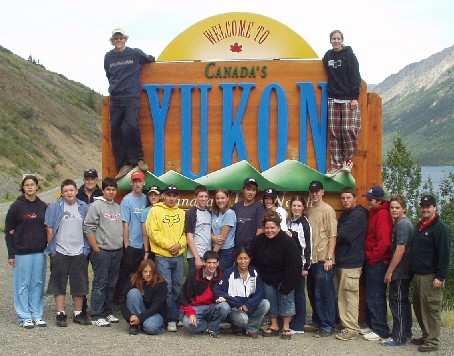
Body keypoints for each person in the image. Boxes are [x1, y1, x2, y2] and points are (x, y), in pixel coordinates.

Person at [104, 27, 156, 179]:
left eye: (121, 38)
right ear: (112, 41)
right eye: (116, 38)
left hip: (132, 97)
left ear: (125, 39)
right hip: (116, 98)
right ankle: (123, 165)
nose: (118, 40)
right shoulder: (108, 57)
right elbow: (108, 74)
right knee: (116, 132)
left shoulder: (135, 53)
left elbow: (149, 59)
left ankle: (139, 158)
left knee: (131, 126)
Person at [44, 179, 91, 327]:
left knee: (80, 282)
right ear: (62, 193)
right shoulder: (54, 206)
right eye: (66, 191)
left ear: (77, 191)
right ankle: (60, 313)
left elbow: (88, 227)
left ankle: (78, 313)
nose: (69, 193)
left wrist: (86, 249)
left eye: (71, 190)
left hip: (79, 250)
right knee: (59, 282)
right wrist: (52, 250)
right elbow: (49, 227)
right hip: (60, 250)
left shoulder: (83, 206)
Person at [5, 175, 48, 329]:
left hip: (39, 251)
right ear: (23, 187)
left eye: (32, 184)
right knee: (22, 284)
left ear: (37, 186)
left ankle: (36, 313)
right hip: (21, 252)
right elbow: (9, 231)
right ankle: (24, 316)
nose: (30, 187)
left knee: (37, 283)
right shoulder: (16, 206)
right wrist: (11, 253)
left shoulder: (42, 206)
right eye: (26, 185)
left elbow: (47, 228)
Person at [250, 211, 301, 340]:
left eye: (272, 228)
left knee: (286, 300)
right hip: (266, 278)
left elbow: (294, 265)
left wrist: (287, 285)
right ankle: (274, 325)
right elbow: (253, 260)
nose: (269, 230)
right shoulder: (258, 241)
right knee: (271, 301)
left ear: (278, 227)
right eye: (267, 228)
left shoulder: (288, 242)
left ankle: (285, 326)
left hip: (285, 278)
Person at [410, 195, 451, 352]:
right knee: (420, 309)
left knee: (431, 309)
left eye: (428, 206)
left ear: (435, 208)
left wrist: (440, 276)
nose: (425, 209)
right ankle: (426, 335)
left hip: (431, 276)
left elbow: (444, 254)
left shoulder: (440, 229)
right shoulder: (420, 226)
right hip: (418, 275)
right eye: (423, 206)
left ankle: (433, 342)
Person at [146, 184, 186, 332]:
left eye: (174, 195)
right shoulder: (155, 211)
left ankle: (174, 315)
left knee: (178, 288)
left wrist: (179, 245)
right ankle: (171, 319)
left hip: (178, 256)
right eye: (169, 195)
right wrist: (170, 245)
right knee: (166, 288)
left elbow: (184, 233)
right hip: (162, 256)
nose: (171, 198)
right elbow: (153, 233)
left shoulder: (181, 213)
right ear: (163, 196)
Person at [84, 178, 123, 327]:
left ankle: (107, 312)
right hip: (102, 251)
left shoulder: (117, 207)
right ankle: (96, 314)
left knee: (111, 284)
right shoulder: (95, 206)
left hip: (116, 250)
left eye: (113, 189)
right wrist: (96, 249)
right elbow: (88, 228)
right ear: (103, 190)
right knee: (100, 283)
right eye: (108, 189)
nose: (111, 192)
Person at [322, 30, 361, 178]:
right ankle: (336, 164)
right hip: (333, 98)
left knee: (347, 130)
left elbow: (355, 76)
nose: (336, 41)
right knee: (333, 132)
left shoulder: (349, 55)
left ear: (342, 40)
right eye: (333, 38)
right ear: (330, 41)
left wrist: (354, 96)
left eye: (338, 38)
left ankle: (348, 160)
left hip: (348, 98)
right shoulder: (328, 56)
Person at [334, 187, 368, 341]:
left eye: (348, 197)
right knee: (341, 295)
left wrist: (339, 233)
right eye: (343, 198)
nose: (345, 201)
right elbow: (340, 232)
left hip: (352, 262)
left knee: (350, 296)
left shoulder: (358, 215)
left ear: (355, 198)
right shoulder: (346, 215)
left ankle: (352, 328)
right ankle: (345, 323)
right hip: (343, 261)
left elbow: (343, 234)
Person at [214, 247, 270, 338]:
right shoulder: (229, 273)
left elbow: (260, 292)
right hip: (234, 308)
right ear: (236, 259)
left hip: (249, 307)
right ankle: (237, 327)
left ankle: (251, 329)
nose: (243, 261)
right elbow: (218, 291)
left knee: (265, 303)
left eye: (245, 258)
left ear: (250, 259)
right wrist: (236, 302)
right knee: (243, 320)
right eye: (240, 258)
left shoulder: (255, 272)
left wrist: (248, 304)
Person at [305, 181, 338, 337]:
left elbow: (333, 235)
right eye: (312, 191)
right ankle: (318, 320)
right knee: (312, 292)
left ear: (322, 192)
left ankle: (327, 325)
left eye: (317, 191)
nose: (314, 194)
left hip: (323, 259)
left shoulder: (328, 210)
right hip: (311, 259)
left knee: (324, 293)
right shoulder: (310, 210)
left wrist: (329, 257)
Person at [383, 195, 414, 346]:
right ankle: (405, 331)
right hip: (404, 270)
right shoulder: (400, 223)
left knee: (398, 302)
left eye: (397, 208)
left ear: (404, 209)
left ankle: (399, 336)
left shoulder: (402, 224)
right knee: (403, 301)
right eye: (392, 207)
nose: (394, 210)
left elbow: (400, 249)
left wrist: (390, 271)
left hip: (401, 271)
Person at [362, 185, 392, 341]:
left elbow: (384, 242)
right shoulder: (373, 213)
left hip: (377, 261)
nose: (367, 201)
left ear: (379, 201)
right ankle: (373, 325)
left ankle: (381, 329)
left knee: (376, 295)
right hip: (372, 260)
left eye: (370, 199)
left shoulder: (382, 215)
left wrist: (373, 258)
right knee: (370, 294)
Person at [180, 251, 230, 338]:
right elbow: (184, 297)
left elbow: (228, 293)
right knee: (186, 323)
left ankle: (214, 326)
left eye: (214, 263)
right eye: (209, 263)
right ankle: (210, 327)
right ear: (204, 263)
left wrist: (223, 298)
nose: (212, 266)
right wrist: (191, 313)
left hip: (214, 306)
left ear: (218, 263)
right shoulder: (194, 275)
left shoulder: (222, 275)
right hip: (197, 308)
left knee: (225, 307)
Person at [118, 170, 148, 299]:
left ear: (143, 183)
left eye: (139, 181)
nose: (137, 184)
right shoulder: (126, 200)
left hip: (145, 246)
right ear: (131, 183)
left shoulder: (147, 199)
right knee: (128, 277)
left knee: (144, 275)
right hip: (132, 245)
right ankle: (125, 302)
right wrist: (127, 245)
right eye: (135, 181)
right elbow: (125, 223)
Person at [119, 259, 167, 335]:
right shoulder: (134, 280)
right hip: (140, 311)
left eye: (150, 272)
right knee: (133, 293)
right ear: (141, 272)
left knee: (150, 327)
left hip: (155, 313)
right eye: (145, 271)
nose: (148, 274)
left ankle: (157, 326)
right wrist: (129, 316)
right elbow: (122, 299)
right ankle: (134, 324)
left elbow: (156, 307)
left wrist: (140, 318)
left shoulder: (161, 284)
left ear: (154, 272)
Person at [287, 195, 312, 335]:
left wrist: (306, 266)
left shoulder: (304, 224)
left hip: (300, 265)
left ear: (303, 208)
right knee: (291, 294)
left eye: (299, 206)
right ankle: (291, 320)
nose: (296, 208)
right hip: (290, 264)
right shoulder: (290, 222)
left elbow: (308, 246)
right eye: (294, 206)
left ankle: (298, 325)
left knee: (299, 295)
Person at [185, 185, 212, 276]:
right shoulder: (191, 213)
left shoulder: (209, 213)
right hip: (195, 256)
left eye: (205, 196)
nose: (203, 199)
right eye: (201, 196)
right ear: (195, 197)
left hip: (207, 255)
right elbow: (189, 238)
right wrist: (197, 258)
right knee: (194, 283)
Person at [232, 178, 266, 250]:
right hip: (236, 248)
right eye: (248, 189)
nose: (251, 192)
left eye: (253, 190)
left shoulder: (259, 207)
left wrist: (254, 247)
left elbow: (260, 230)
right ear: (243, 190)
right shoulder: (236, 206)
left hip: (251, 248)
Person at [211, 188, 237, 272]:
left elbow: (222, 238)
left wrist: (212, 255)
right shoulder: (214, 213)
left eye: (222, 198)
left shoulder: (229, 213)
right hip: (214, 248)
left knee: (220, 276)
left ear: (227, 198)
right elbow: (208, 230)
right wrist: (213, 237)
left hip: (226, 252)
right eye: (217, 198)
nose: (220, 200)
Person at [141, 185, 161, 261]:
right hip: (151, 246)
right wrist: (146, 251)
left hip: (162, 245)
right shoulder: (145, 211)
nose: (153, 197)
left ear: (160, 197)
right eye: (151, 195)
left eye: (155, 195)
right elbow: (145, 233)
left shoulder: (164, 210)